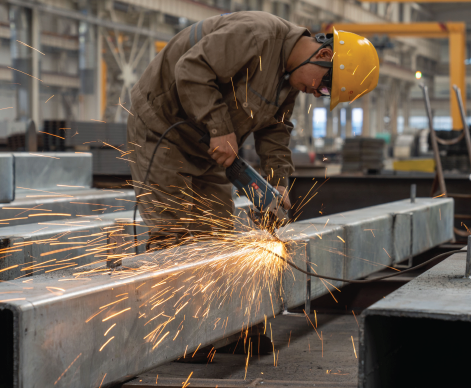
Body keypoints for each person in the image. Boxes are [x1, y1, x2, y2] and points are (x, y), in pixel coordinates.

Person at [128, 11, 379, 251]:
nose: (316, 93)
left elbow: (276, 129)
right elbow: (192, 69)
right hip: (162, 128)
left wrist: (278, 183)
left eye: (323, 94)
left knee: (217, 235)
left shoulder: (290, 79)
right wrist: (220, 129)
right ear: (324, 54)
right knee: (171, 235)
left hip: (205, 145)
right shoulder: (255, 34)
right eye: (324, 87)